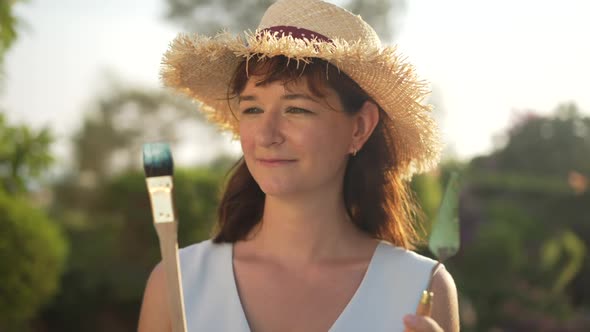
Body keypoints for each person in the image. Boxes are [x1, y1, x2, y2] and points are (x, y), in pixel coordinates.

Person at [138, 0, 459, 331]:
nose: (266, 135)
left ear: (360, 127)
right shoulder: (176, 281)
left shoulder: (423, 287)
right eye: (252, 110)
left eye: (297, 109)